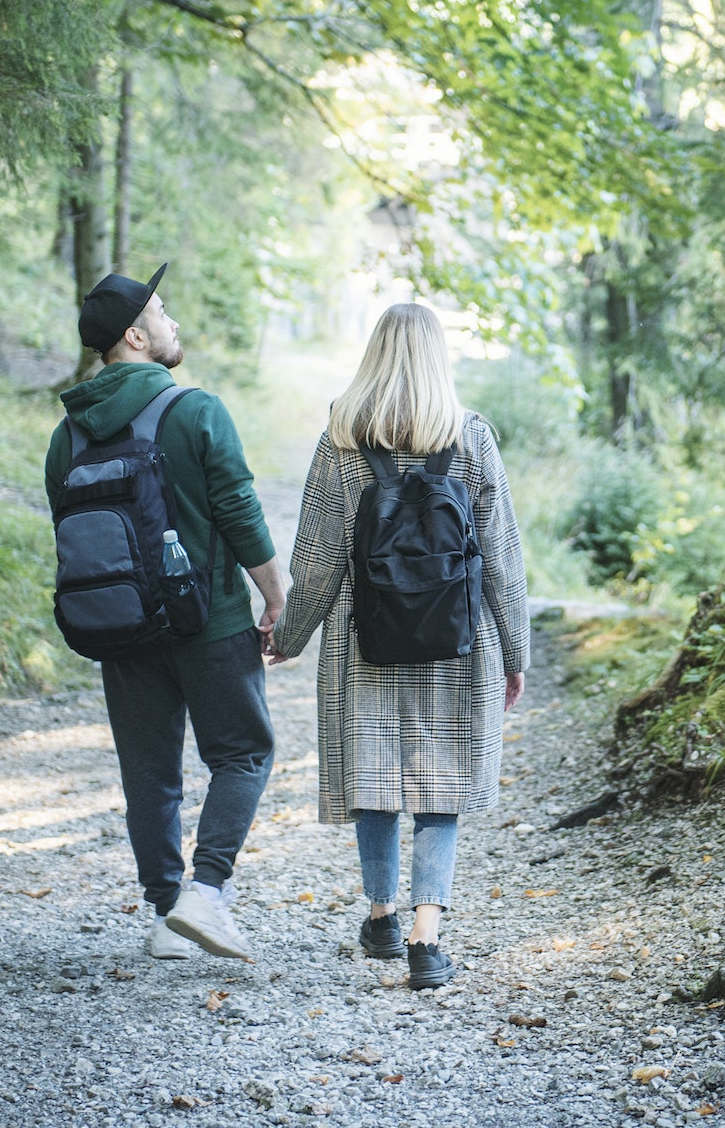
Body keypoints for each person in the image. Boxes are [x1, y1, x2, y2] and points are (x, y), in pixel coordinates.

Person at [267, 302, 529, 990]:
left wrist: (289, 636)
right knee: (441, 786)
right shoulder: (471, 437)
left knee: (375, 777)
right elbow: (502, 557)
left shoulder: (340, 440)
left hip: (364, 639)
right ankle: (426, 937)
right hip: (459, 640)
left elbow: (318, 557)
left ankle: (381, 917)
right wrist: (515, 651)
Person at [44, 265, 285, 962]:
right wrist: (276, 593)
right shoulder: (196, 410)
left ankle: (163, 914)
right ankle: (205, 894)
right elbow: (237, 509)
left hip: (118, 626)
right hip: (210, 624)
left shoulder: (68, 435)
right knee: (243, 753)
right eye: (162, 312)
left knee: (149, 775)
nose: (174, 322)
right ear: (136, 337)